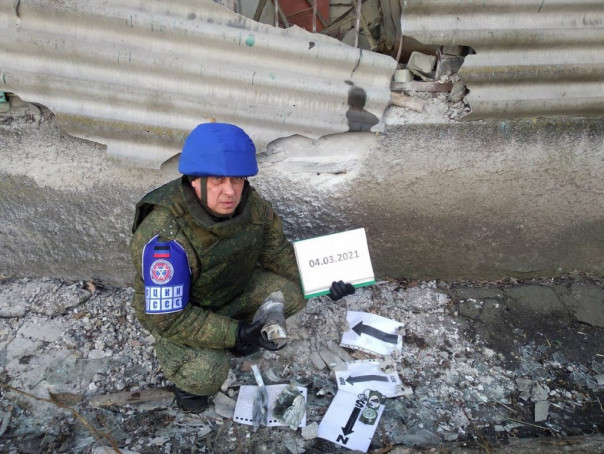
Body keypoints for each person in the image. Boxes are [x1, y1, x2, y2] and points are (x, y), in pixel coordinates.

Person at [130, 122, 355, 413]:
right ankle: (186, 382)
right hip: (183, 312)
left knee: (292, 294)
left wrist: (323, 280)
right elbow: (169, 319)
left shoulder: (251, 204)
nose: (230, 192)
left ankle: (241, 337)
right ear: (195, 180)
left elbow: (277, 252)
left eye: (237, 180)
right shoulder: (165, 235)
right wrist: (236, 333)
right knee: (206, 373)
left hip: (228, 289)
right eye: (217, 180)